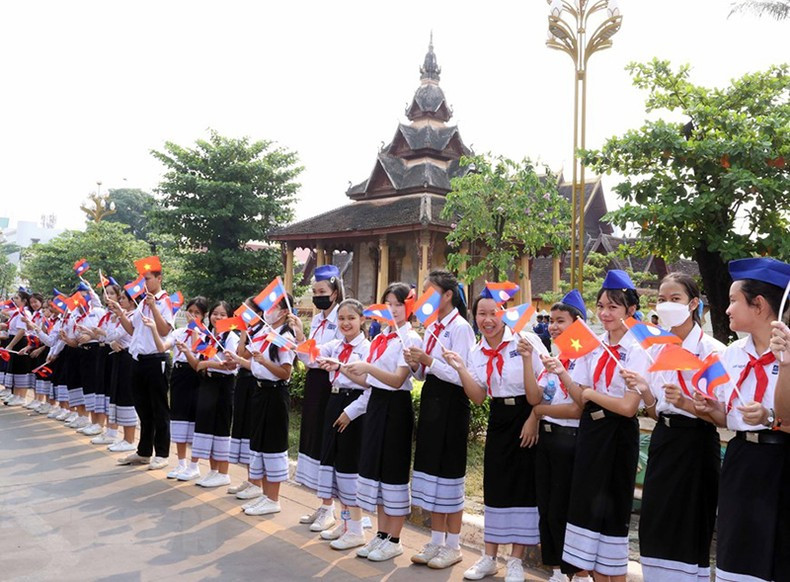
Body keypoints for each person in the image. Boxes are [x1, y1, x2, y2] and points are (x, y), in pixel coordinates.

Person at [691, 257, 790, 582]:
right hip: (741, 461)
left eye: (735, 301)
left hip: (781, 462)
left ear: (759, 305)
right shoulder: (731, 355)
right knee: (736, 555)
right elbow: (727, 417)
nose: (728, 309)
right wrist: (706, 408)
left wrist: (770, 415)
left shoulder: (787, 351)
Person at [444, 292, 546, 582]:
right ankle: (489, 557)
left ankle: (516, 560)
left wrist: (533, 419)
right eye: (481, 314)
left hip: (527, 415)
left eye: (493, 313)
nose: (488, 320)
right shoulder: (476, 353)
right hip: (499, 419)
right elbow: (478, 397)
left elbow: (540, 389)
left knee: (523, 488)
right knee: (496, 485)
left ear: (504, 313)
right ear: (474, 317)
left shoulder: (526, 341)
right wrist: (461, 368)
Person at [630, 274, 724, 581]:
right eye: (661, 299)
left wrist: (686, 402)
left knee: (688, 524)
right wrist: (645, 391)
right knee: (656, 522)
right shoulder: (657, 349)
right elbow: (657, 410)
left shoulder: (713, 351)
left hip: (696, 445)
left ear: (693, 304)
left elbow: (722, 415)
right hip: (665, 439)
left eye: (675, 299)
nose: (667, 305)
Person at [561, 270, 650, 580]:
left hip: (618, 437)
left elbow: (628, 408)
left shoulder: (638, 350)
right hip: (591, 434)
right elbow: (580, 398)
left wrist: (590, 393)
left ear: (630, 310)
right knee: (586, 510)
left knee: (611, 516)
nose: (604, 313)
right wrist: (562, 374)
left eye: (613, 306)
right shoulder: (593, 345)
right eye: (601, 306)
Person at [342, 282, 422, 562]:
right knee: (374, 468)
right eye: (388, 303)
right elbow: (369, 380)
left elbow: (398, 380)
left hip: (396, 408)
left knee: (393, 470)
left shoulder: (410, 338)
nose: (393, 309)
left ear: (408, 306)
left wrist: (367, 367)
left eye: (398, 304)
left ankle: (395, 538)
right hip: (376, 404)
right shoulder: (379, 338)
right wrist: (343, 368)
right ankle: (380, 535)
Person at [404, 270, 476, 569]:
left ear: (447, 295)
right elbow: (425, 373)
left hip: (452, 405)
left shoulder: (460, 328)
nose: (424, 297)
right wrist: (416, 365)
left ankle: (454, 545)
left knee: (449, 474)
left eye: (429, 291)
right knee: (432, 473)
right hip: (432, 401)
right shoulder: (432, 325)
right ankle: (435, 540)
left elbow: (463, 376)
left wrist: (428, 361)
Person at [531, 290, 589, 582]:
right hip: (548, 440)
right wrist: (537, 413)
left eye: (560, 321)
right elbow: (539, 397)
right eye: (551, 321)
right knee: (548, 508)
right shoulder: (554, 358)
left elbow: (579, 408)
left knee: (567, 510)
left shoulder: (584, 359)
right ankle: (556, 568)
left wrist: (538, 410)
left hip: (571, 441)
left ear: (577, 324)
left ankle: (577, 573)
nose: (553, 326)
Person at [287, 264, 344, 529]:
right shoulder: (319, 319)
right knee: (313, 441)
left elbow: (324, 356)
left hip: (331, 383)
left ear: (335, 293)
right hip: (314, 382)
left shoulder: (341, 319)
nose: (317, 295)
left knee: (328, 444)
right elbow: (308, 357)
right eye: (314, 291)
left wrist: (306, 345)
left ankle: (333, 509)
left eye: (322, 291)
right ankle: (323, 505)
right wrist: (299, 333)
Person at [227, 294, 294, 515]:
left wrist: (264, 361)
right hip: (259, 391)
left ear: (284, 311)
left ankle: (273, 498)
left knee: (272, 444)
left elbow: (285, 372)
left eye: (274, 307)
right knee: (260, 443)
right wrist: (240, 356)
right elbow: (251, 360)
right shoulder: (266, 332)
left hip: (275, 394)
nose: (268, 310)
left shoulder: (285, 335)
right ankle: (265, 495)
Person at [313, 299, 371, 550]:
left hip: (354, 408)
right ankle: (346, 523)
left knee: (349, 467)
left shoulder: (368, 349)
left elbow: (370, 384)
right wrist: (296, 332)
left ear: (362, 321)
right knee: (335, 464)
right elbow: (308, 353)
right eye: (342, 319)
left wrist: (351, 412)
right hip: (334, 401)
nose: (346, 323)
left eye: (351, 318)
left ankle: (357, 529)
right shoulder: (334, 345)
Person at [112, 261, 175, 470]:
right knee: (143, 408)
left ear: (159, 279)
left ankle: (162, 453)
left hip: (156, 360)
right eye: (143, 279)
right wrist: (120, 313)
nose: (145, 283)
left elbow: (165, 330)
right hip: (138, 360)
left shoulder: (165, 302)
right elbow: (132, 330)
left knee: (159, 408)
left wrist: (154, 307)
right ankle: (144, 451)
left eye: (148, 279)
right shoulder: (141, 303)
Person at [178, 301, 239, 487]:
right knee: (207, 426)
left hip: (223, 384)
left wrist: (208, 364)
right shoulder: (211, 336)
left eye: (222, 314)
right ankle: (213, 471)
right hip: (208, 382)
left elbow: (231, 365)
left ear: (229, 318)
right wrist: (189, 352)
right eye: (215, 314)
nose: (218, 317)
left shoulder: (231, 337)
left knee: (220, 426)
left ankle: (224, 472)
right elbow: (198, 361)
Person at [167, 297, 208, 479]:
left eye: (197, 313)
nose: (192, 316)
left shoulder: (207, 335)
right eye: (190, 312)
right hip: (178, 376)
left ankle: (194, 465)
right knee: (179, 418)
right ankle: (181, 463)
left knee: (194, 419)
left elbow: (198, 358)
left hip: (195, 377)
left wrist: (195, 332)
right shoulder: (178, 332)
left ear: (203, 315)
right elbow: (163, 345)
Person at [227, 297, 264, 494]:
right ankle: (250, 479)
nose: (243, 313)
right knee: (242, 428)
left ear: (259, 314)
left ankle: (257, 483)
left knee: (251, 430)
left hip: (253, 381)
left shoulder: (260, 333)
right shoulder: (250, 331)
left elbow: (242, 353)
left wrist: (242, 330)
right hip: (242, 379)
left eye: (248, 311)